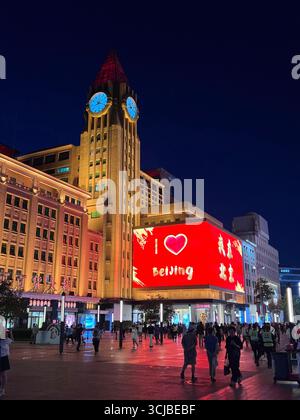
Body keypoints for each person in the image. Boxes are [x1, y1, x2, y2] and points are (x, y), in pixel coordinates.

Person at [0, 330, 13, 398]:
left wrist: (10, 333)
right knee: (2, 375)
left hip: (3, 357)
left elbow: (12, 340)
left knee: (3, 374)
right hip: (3, 357)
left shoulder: (5, 340)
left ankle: (2, 389)